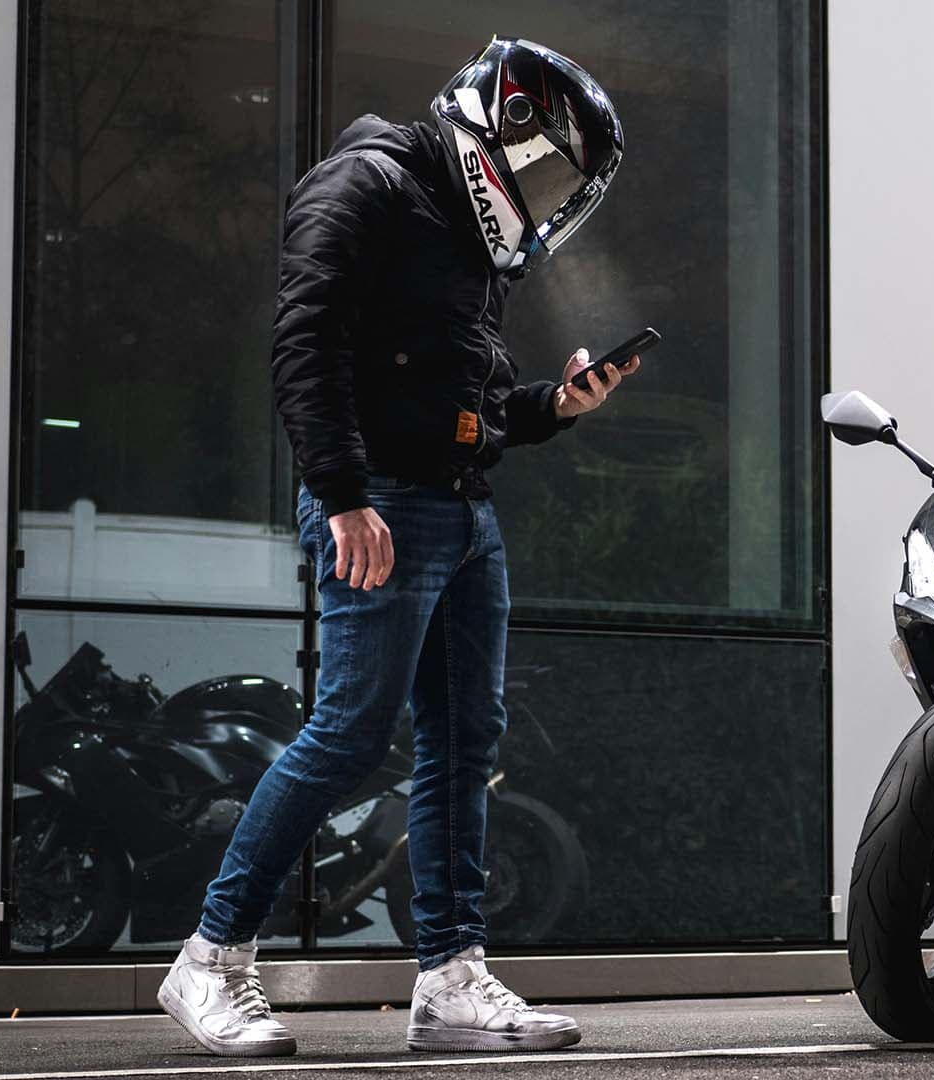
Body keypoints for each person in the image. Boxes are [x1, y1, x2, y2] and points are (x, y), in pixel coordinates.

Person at [156, 37, 632, 1057]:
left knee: (464, 742)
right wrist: (340, 495)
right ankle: (209, 962)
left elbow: (466, 406)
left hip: (459, 510)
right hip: (376, 504)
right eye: (546, 163)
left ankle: (451, 979)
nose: (545, 196)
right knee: (348, 733)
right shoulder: (368, 182)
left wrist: (555, 404)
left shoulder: (467, 236)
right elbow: (305, 339)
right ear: (490, 123)